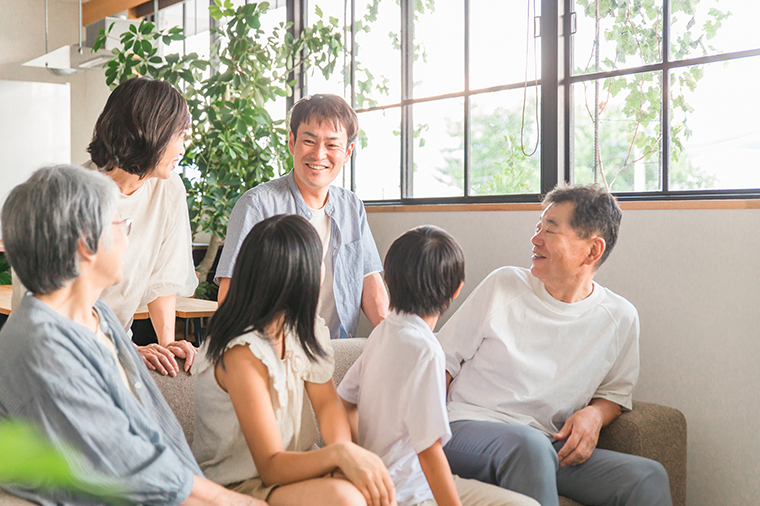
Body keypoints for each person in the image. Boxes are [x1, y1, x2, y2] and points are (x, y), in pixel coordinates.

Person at [0, 165, 260, 506]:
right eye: (121, 224)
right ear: (85, 244)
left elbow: (156, 430)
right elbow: (124, 462)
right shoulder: (41, 345)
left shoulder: (99, 315)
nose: (128, 235)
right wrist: (233, 501)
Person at [436, 184, 672, 506]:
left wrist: (594, 415)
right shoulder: (504, 285)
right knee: (529, 447)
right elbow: (439, 361)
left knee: (647, 477)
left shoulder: (620, 317)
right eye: (538, 227)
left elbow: (615, 395)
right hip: (464, 430)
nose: (536, 239)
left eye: (550, 230)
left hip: (544, 447)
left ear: (592, 250)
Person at [191, 214, 397, 506]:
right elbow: (270, 465)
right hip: (241, 485)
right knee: (346, 498)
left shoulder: (304, 328)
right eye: (320, 263)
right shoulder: (241, 354)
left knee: (366, 486)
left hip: (297, 469)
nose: (323, 272)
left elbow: (327, 404)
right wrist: (339, 455)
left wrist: (343, 457)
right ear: (298, 278)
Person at [338, 226, 539, 506]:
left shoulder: (384, 333)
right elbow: (429, 450)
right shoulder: (426, 350)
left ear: (389, 282)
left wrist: (365, 459)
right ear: (457, 289)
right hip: (412, 492)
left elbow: (345, 400)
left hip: (390, 482)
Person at [12, 77, 199, 376]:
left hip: (117, 346)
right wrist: (122, 350)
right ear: (152, 133)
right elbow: (51, 305)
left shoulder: (169, 189)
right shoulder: (75, 195)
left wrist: (168, 343)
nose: (182, 147)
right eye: (179, 135)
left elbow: (163, 277)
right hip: (63, 351)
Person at [215, 94, 388, 339]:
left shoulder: (352, 207)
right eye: (309, 141)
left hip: (335, 349)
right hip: (272, 349)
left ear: (347, 152)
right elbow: (230, 294)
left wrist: (395, 337)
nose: (319, 154)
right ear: (291, 142)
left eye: (331, 145)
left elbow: (369, 282)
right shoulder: (257, 204)